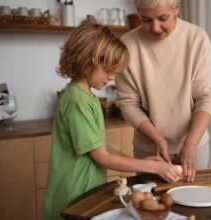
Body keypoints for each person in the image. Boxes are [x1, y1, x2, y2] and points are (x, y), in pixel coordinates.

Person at [42, 20, 179, 220]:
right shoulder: (77, 100)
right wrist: (153, 167)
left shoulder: (88, 97)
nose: (113, 77)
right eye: (107, 70)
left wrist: (140, 161)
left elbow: (100, 148)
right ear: (86, 60)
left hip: (86, 194)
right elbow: (102, 158)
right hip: (72, 197)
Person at [115, 0, 211, 182]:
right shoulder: (127, 45)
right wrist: (157, 138)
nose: (155, 28)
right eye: (145, 19)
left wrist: (191, 143)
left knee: (196, 204)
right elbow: (128, 104)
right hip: (149, 150)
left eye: (163, 18)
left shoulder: (196, 39)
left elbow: (206, 97)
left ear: (176, 8)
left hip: (195, 145)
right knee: (151, 205)